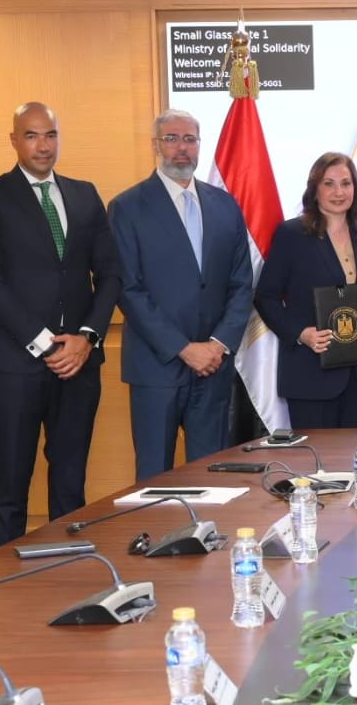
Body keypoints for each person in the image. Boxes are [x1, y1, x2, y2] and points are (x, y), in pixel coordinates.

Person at [0, 102, 122, 549]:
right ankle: (2, 577)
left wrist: (87, 338)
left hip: (79, 362)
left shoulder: (84, 194)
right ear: (14, 140)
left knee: (71, 482)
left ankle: (69, 572)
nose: (43, 145)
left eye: (50, 134)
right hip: (14, 363)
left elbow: (110, 274)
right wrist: (46, 344)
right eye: (31, 135)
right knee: (12, 483)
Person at [108, 109, 253, 480]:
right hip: (157, 368)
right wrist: (184, 349)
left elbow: (241, 282)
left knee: (212, 477)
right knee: (155, 477)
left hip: (213, 368)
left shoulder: (225, 205)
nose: (181, 148)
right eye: (171, 139)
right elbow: (128, 288)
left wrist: (217, 345)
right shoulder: (127, 207)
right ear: (155, 145)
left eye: (189, 139)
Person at [254, 152, 357, 429]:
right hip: (311, 374)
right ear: (314, 190)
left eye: (346, 183)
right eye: (329, 184)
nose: (339, 192)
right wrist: (300, 334)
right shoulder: (292, 234)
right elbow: (266, 297)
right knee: (316, 457)